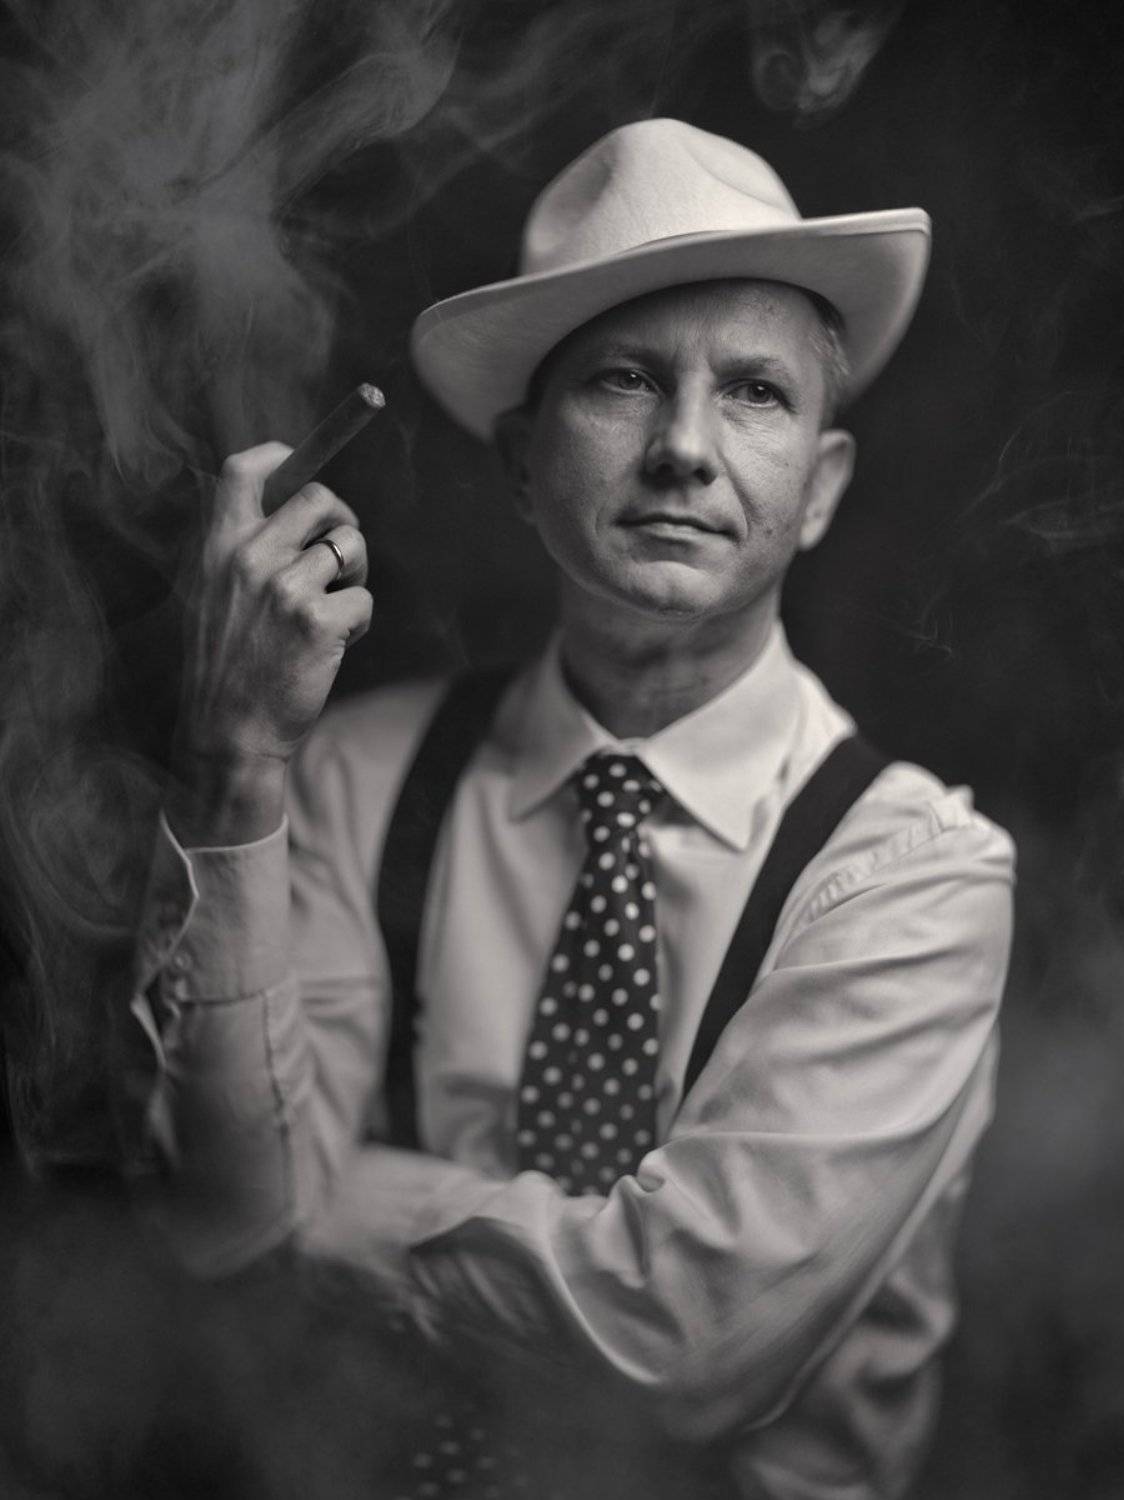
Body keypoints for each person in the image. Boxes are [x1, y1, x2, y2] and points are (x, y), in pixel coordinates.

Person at [126, 120, 1014, 1498]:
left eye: (754, 393)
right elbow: (223, 1221)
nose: (684, 449)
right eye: (625, 380)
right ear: (521, 466)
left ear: (822, 488)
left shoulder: (916, 875)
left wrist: (348, 1201)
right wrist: (236, 763)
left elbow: (678, 1351)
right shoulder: (349, 778)